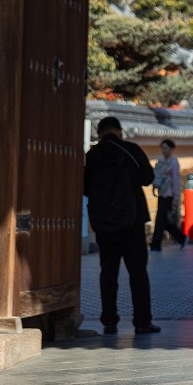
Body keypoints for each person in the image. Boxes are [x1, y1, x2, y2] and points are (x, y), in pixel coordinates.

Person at [83, 116, 160, 335]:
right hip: (132, 221)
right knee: (138, 272)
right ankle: (142, 321)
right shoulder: (131, 150)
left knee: (108, 272)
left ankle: (109, 320)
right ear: (119, 131)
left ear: (99, 134)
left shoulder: (93, 155)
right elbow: (147, 178)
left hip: (104, 223)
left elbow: (85, 187)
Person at [151, 139, 186, 251]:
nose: (163, 150)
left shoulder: (173, 163)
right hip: (161, 193)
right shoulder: (160, 161)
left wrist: (176, 197)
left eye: (166, 148)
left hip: (169, 195)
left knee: (160, 220)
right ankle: (182, 238)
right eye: (162, 148)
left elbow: (176, 181)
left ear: (171, 149)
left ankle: (155, 245)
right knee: (164, 221)